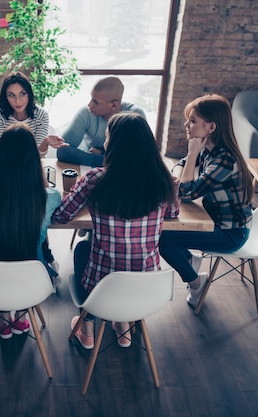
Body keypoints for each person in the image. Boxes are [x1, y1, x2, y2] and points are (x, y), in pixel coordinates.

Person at [52, 112, 179, 349]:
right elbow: (172, 213)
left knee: (83, 248)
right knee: (128, 259)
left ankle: (87, 327)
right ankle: (123, 325)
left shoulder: (95, 179)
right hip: (148, 288)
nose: (105, 141)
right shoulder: (163, 180)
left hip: (104, 288)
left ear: (115, 145)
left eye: (108, 136)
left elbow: (61, 216)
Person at [0, 123, 61, 339]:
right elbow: (47, 190)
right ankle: (20, 317)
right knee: (28, 260)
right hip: (33, 282)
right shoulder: (50, 198)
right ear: (34, 163)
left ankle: (5, 315)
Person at [159, 94, 253, 310]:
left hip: (231, 234)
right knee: (166, 229)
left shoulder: (224, 160)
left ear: (211, 127)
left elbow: (186, 191)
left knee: (162, 237)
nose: (186, 125)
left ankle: (196, 282)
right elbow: (178, 165)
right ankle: (191, 261)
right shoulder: (211, 150)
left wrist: (192, 154)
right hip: (215, 220)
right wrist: (187, 162)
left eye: (192, 121)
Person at [56, 76, 147, 167]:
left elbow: (141, 155)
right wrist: (107, 159)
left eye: (96, 102)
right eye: (91, 98)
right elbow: (63, 151)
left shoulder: (134, 116)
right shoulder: (86, 113)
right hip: (87, 169)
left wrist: (102, 154)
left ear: (113, 105)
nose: (89, 105)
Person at [0, 72, 68, 156]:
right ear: (6, 97)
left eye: (22, 94)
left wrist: (45, 142)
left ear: (29, 94)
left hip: (33, 166)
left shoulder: (41, 115)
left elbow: (37, 156)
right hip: (8, 166)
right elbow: (3, 153)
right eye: (11, 95)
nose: (18, 101)